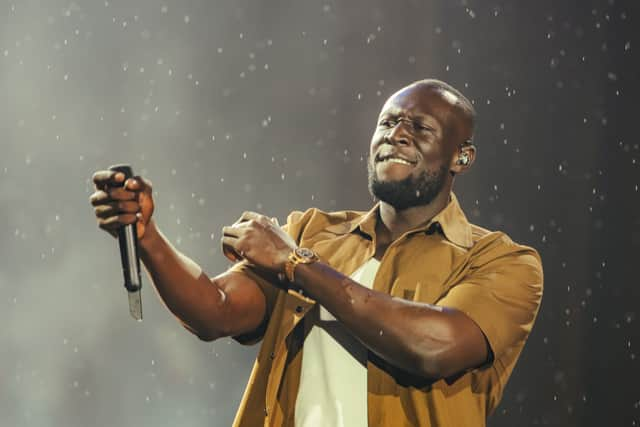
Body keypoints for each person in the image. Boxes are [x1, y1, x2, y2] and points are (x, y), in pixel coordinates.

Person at [89, 79, 543, 427]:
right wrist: (147, 236)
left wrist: (298, 266)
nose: (397, 135)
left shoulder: (501, 261)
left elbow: (434, 347)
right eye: (388, 123)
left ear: (461, 158)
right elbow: (215, 310)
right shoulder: (314, 232)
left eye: (420, 127)